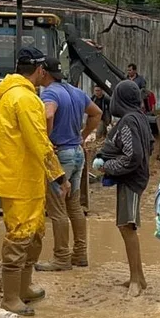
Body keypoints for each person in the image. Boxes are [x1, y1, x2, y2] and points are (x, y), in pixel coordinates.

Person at [0, 47, 69, 316]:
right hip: (20, 179)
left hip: (23, 177)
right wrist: (58, 175)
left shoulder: (12, 96)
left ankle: (23, 287)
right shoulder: (25, 99)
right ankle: (10, 297)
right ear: (40, 70)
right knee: (20, 237)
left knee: (33, 233)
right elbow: (39, 141)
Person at [35, 58, 102, 271]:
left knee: (57, 208)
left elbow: (48, 114)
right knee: (74, 205)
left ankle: (61, 257)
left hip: (61, 154)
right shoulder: (76, 91)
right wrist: (82, 136)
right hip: (77, 153)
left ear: (44, 72)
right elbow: (97, 113)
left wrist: (46, 140)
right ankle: (80, 253)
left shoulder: (50, 93)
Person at [92, 80, 154, 297]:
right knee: (126, 226)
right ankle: (138, 276)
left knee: (127, 226)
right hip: (136, 177)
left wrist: (108, 166)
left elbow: (133, 155)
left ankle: (137, 280)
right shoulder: (140, 117)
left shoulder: (128, 121)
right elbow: (149, 146)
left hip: (131, 179)